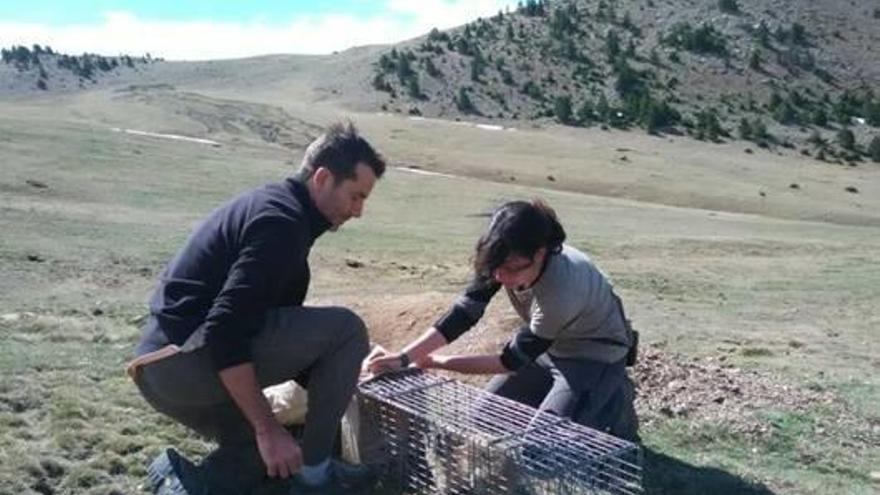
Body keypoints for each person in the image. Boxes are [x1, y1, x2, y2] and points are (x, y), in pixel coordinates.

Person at [129, 122, 386, 494]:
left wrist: (344, 375)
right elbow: (225, 330)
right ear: (323, 177)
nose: (358, 211)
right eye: (355, 196)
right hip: (184, 364)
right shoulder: (281, 222)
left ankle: (180, 479)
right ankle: (316, 477)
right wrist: (268, 428)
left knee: (268, 456)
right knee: (346, 330)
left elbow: (256, 324)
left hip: (161, 374)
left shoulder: (278, 209)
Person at [368, 199, 639, 441]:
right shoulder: (503, 256)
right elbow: (464, 314)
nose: (499, 277)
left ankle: (615, 398)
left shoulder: (561, 290)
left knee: (542, 450)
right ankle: (562, 401)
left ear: (540, 254)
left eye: (510, 269)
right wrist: (404, 358)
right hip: (548, 351)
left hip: (593, 357)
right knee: (485, 419)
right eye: (495, 267)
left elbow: (508, 362)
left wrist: (438, 361)